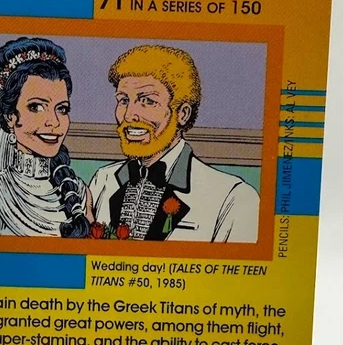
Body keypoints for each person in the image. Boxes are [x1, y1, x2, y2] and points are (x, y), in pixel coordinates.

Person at [88, 45, 259, 242]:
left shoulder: (233, 197)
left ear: (183, 114)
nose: (129, 115)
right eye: (124, 100)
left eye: (148, 101)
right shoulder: (103, 180)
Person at [0, 37, 92, 237]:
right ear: (10, 117)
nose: (54, 122)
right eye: (36, 107)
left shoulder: (80, 193)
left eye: (62, 109)